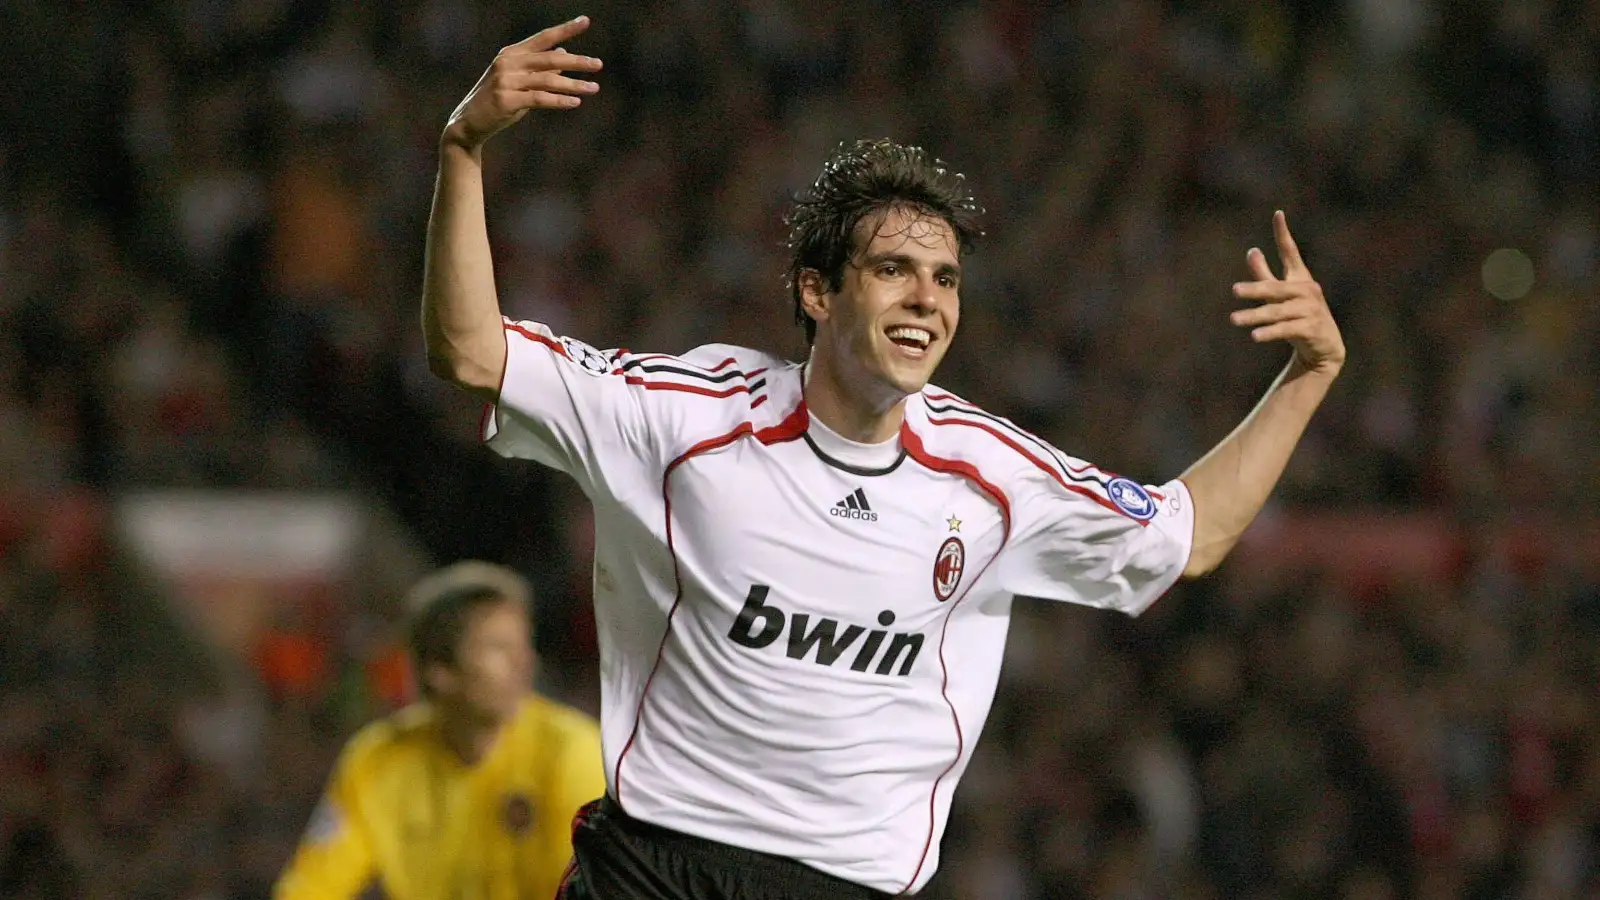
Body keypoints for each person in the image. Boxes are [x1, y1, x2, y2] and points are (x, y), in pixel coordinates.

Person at [421, 15, 1346, 899]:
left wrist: (1311, 372)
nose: (927, 299)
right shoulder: (681, 420)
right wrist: (463, 149)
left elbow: (1189, 537)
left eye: (945, 277)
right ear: (817, 291)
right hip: (659, 870)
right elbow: (472, 354)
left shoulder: (990, 477)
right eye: (893, 270)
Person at [274, 561, 606, 900]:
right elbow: (310, 889)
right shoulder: (379, 761)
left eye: (523, 644)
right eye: (497, 647)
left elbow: (601, 888)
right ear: (440, 671)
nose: (524, 661)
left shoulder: (573, 753)